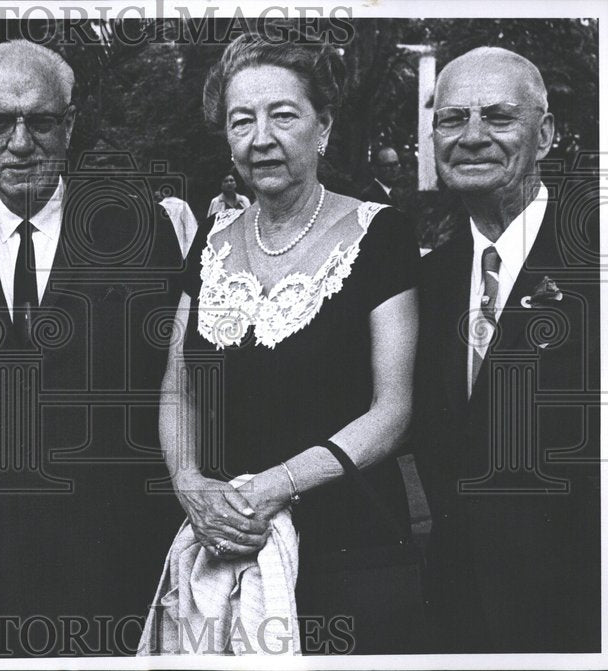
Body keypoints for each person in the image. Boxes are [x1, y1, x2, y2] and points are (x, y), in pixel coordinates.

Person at [0, 40, 184, 655]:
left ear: (69, 123)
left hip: (110, 573)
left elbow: (175, 389)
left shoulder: (135, 231)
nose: (20, 143)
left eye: (41, 121)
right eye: (0, 122)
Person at [155, 33, 420, 653]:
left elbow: (393, 412)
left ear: (322, 127)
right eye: (241, 120)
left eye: (283, 115)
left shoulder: (380, 234)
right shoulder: (212, 240)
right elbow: (177, 386)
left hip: (352, 551)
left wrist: (270, 487)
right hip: (224, 551)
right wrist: (189, 481)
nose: (261, 138)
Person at [416, 47, 599, 653]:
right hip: (458, 617)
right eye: (451, 119)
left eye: (497, 118)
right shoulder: (428, 281)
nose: (471, 138)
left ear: (544, 135)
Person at [155, 188, 199, 258]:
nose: (155, 193)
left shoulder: (157, 207)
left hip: (164, 252)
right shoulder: (181, 204)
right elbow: (192, 230)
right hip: (182, 251)